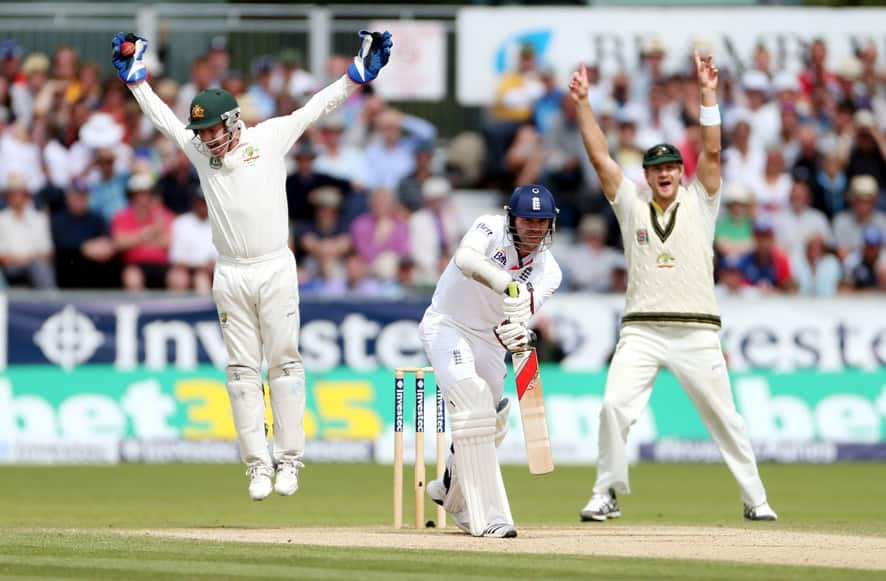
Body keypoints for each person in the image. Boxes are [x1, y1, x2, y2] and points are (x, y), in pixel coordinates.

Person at [111, 29, 392, 499]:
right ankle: (257, 465)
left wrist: (356, 77)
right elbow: (163, 120)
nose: (206, 140)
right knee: (241, 371)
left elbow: (314, 107)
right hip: (230, 272)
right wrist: (137, 82)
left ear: (233, 122)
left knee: (284, 362)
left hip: (275, 266)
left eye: (213, 130)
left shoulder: (269, 137)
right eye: (200, 133)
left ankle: (290, 461)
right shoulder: (201, 152)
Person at [569, 52, 777, 522]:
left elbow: (714, 150)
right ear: (646, 175)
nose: (664, 174)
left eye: (671, 167)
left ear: (680, 172)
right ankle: (606, 493)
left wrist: (707, 94)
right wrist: (583, 103)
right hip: (641, 331)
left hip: (697, 332)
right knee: (612, 407)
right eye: (656, 169)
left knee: (726, 419)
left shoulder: (702, 201)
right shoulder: (630, 204)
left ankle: (756, 498)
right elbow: (600, 156)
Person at [421, 185, 563, 538]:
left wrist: (518, 331)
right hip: (447, 325)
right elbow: (465, 261)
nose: (534, 228)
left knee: (494, 417)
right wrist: (506, 285)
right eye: (527, 220)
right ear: (511, 218)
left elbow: (519, 314)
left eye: (541, 222)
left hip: (488, 339)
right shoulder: (489, 226)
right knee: (471, 400)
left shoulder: (550, 272)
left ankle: (450, 487)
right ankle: (485, 515)